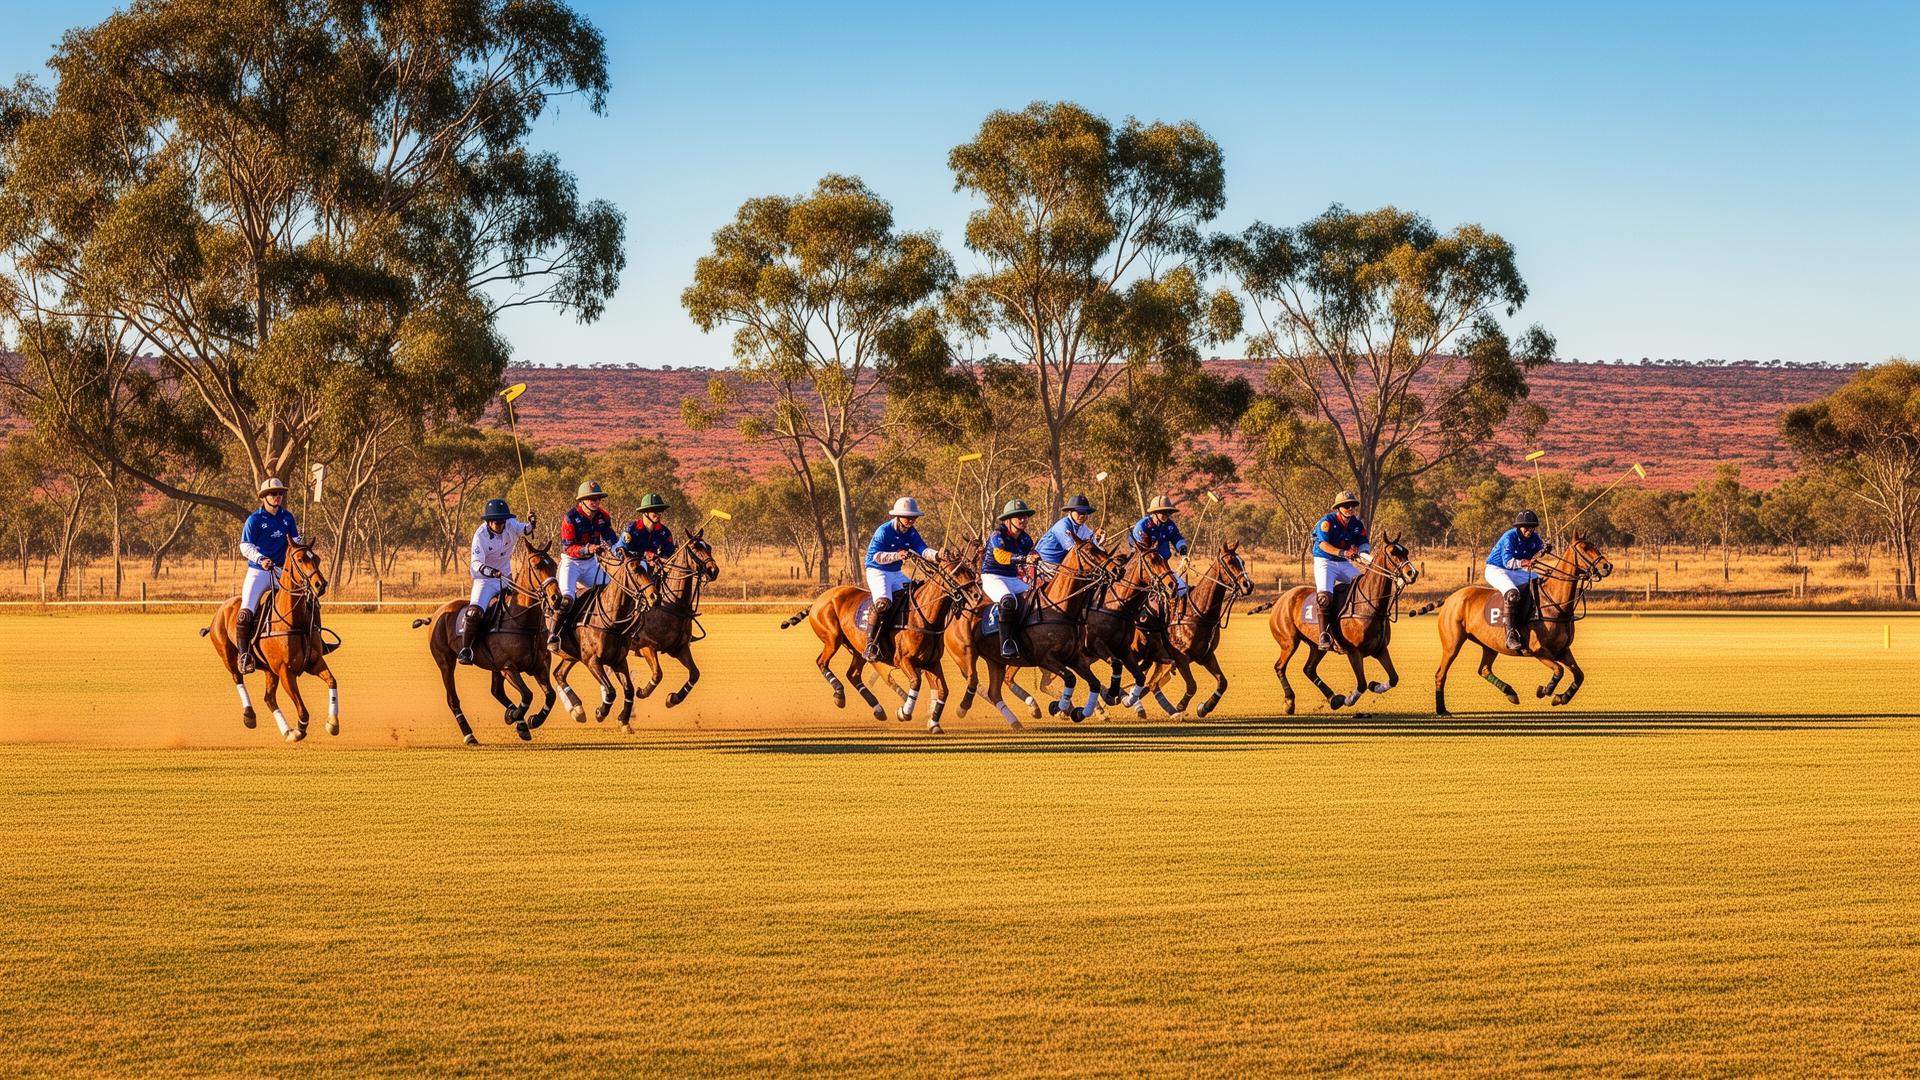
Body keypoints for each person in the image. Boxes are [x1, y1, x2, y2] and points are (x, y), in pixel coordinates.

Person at [236, 477, 305, 675]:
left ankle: (316, 643)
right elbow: (245, 546)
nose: (278, 497)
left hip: (280, 571)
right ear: (264, 497)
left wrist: (301, 543)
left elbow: (294, 541)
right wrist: (260, 559)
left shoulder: (287, 517)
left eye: (280, 493)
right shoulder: (254, 520)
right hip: (259, 572)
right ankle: (244, 655)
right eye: (274, 494)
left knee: (304, 602)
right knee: (246, 611)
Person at [458, 498, 536, 665]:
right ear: (488, 521)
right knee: (474, 613)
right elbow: (475, 563)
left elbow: (525, 530)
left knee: (524, 606)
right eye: (497, 522)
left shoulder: (510, 524)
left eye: (502, 521)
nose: (500, 525)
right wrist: (490, 571)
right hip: (484, 581)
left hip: (506, 578)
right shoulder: (480, 536)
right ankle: (466, 649)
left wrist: (531, 523)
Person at [862, 496, 939, 662]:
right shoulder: (884, 531)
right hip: (877, 570)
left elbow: (923, 550)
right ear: (898, 516)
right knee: (883, 603)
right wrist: (897, 555)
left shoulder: (911, 532)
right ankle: (871, 645)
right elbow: (876, 557)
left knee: (915, 594)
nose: (912, 520)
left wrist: (938, 555)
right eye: (908, 517)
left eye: (914, 517)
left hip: (895, 572)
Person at [553, 480, 618, 645]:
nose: (596, 502)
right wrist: (587, 549)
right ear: (582, 501)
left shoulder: (603, 516)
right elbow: (568, 548)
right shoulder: (570, 518)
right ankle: (555, 634)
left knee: (612, 591)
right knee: (567, 599)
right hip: (571, 564)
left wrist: (618, 550)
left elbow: (610, 537)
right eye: (592, 499)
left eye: (598, 498)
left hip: (590, 564)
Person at [1310, 491, 1372, 653]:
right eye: (1346, 505)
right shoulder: (1327, 522)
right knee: (1324, 597)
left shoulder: (1357, 525)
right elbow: (1323, 545)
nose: (1350, 508)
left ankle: (1354, 623)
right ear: (1338, 507)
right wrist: (1344, 553)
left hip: (1343, 563)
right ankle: (1324, 635)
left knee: (1363, 586)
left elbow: (1364, 542)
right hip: (1325, 561)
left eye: (1352, 505)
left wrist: (1364, 555)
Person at [982, 499, 1040, 659]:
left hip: (1011, 577)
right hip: (993, 576)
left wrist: (1034, 555)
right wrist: (1024, 558)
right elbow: (1000, 556)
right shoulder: (997, 534)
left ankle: (1027, 635)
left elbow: (1031, 552)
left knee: (1034, 598)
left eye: (1025, 516)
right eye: (1018, 516)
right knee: (1008, 601)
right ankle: (1006, 643)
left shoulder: (1026, 538)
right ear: (1008, 519)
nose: (1023, 519)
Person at [1486, 509, 1549, 652]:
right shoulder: (1510, 537)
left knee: (1539, 581)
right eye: (1526, 527)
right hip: (1496, 569)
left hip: (1514, 571)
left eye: (1531, 527)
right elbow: (1508, 562)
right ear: (1519, 527)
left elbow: (1539, 550)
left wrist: (1545, 549)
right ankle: (1510, 635)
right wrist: (1527, 563)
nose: (1529, 530)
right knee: (1512, 593)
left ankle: (1535, 617)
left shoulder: (1534, 537)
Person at [1130, 495, 1190, 598]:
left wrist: (1183, 551)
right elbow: (1143, 551)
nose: (1167, 515)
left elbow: (1177, 537)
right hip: (1147, 567)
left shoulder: (1169, 525)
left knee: (1183, 590)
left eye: (1168, 512)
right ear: (1155, 513)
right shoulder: (1142, 526)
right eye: (1163, 512)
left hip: (1163, 566)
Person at [618, 493, 677, 573]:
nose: (659, 514)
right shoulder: (631, 529)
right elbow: (619, 551)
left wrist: (660, 559)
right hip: (632, 571)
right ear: (645, 512)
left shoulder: (665, 532)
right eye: (655, 511)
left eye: (660, 510)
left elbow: (669, 551)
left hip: (655, 571)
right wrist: (643, 554)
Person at [1036, 494, 1098, 569]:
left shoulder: (1083, 528)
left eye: (1085, 513)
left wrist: (1099, 540)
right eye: (1079, 512)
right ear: (1071, 512)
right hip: (1044, 563)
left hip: (1062, 564)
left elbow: (1095, 545)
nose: (1082, 516)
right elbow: (1073, 551)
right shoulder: (1062, 526)